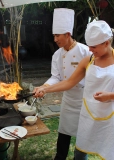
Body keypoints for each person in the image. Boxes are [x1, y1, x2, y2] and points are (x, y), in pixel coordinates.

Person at [34, 20, 114, 160]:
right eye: (89, 46)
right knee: (78, 147)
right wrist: (45, 89)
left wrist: (110, 95)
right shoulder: (88, 60)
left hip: (110, 115)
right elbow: (69, 82)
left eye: (94, 47)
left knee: (108, 150)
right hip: (87, 111)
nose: (90, 50)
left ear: (106, 43)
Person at [33, 8, 91, 160]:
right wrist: (43, 87)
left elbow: (73, 81)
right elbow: (55, 77)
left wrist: (47, 90)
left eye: (57, 35)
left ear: (67, 34)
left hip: (84, 101)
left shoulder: (85, 52)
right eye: (54, 36)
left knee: (82, 137)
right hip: (68, 100)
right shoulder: (57, 55)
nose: (55, 39)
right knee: (63, 133)